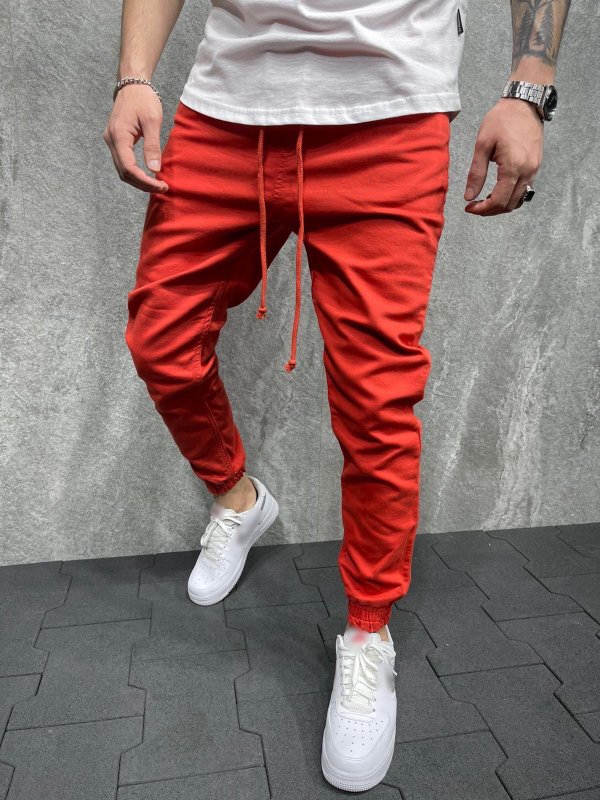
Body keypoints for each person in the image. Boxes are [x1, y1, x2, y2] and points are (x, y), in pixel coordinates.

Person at [103, 0, 571, 791]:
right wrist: (134, 76)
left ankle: (367, 634)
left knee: (377, 402)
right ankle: (238, 498)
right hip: (228, 110)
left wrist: (528, 88)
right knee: (161, 337)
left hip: (391, 116)